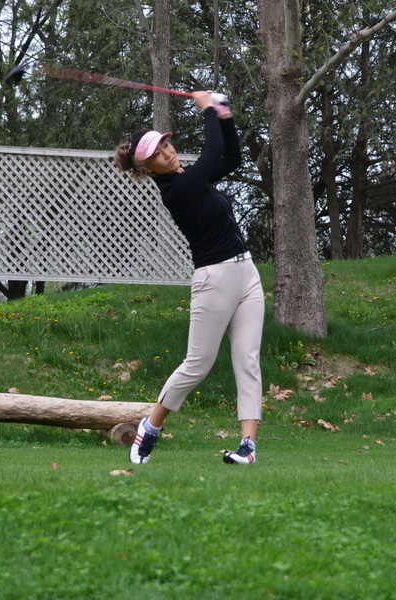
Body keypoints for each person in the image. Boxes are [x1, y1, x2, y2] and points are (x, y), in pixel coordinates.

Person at [114, 91, 264, 465]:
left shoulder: (187, 176)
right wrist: (208, 109)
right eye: (157, 155)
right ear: (148, 169)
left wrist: (225, 116)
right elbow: (213, 155)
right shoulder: (177, 190)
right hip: (214, 279)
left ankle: (248, 446)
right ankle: (151, 427)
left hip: (247, 273)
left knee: (247, 359)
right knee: (197, 363)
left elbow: (231, 157)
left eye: (165, 145)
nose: (167, 153)